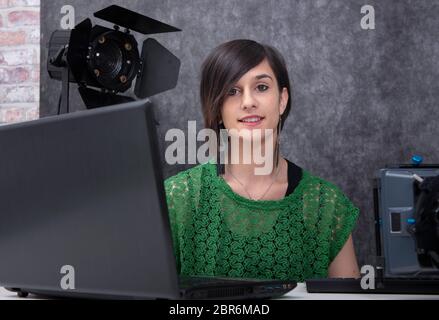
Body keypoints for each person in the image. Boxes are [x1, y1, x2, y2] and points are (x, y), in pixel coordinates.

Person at [164, 39, 360, 282]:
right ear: (217, 109)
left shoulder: (327, 206)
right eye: (232, 91)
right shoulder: (176, 198)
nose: (248, 102)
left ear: (282, 100)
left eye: (262, 87)